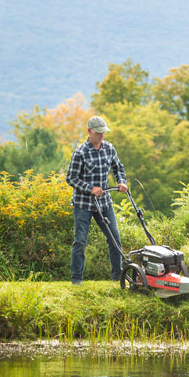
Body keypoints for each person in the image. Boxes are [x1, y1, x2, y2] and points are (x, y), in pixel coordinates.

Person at [66, 115, 128, 285]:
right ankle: (76, 280)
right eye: (98, 132)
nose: (101, 135)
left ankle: (117, 278)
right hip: (83, 205)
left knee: (115, 240)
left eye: (103, 132)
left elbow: (118, 168)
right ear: (89, 131)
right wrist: (90, 188)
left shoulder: (109, 148)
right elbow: (70, 178)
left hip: (104, 203)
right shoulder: (80, 152)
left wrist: (121, 181)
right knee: (80, 241)